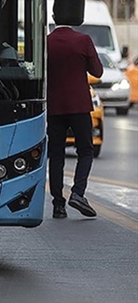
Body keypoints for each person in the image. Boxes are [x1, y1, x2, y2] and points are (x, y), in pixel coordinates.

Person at [47, 17, 104, 219]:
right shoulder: (83, 40)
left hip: (54, 107)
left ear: (54, 19)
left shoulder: (46, 42)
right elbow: (97, 71)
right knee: (86, 150)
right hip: (79, 106)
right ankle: (78, 193)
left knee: (56, 155)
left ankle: (58, 205)